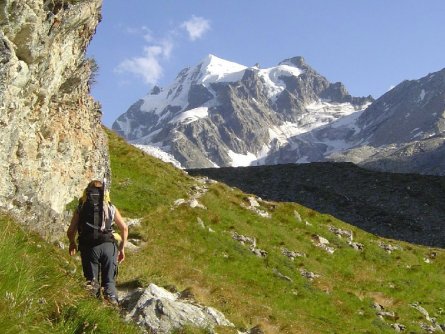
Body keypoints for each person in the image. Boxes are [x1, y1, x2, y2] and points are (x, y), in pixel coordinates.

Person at [67, 180, 128, 305]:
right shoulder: (110, 206)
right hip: (108, 246)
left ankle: (93, 311)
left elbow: (70, 230)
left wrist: (72, 243)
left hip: (88, 247)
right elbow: (124, 228)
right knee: (109, 282)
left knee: (91, 282)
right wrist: (121, 249)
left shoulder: (81, 207)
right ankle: (112, 305)